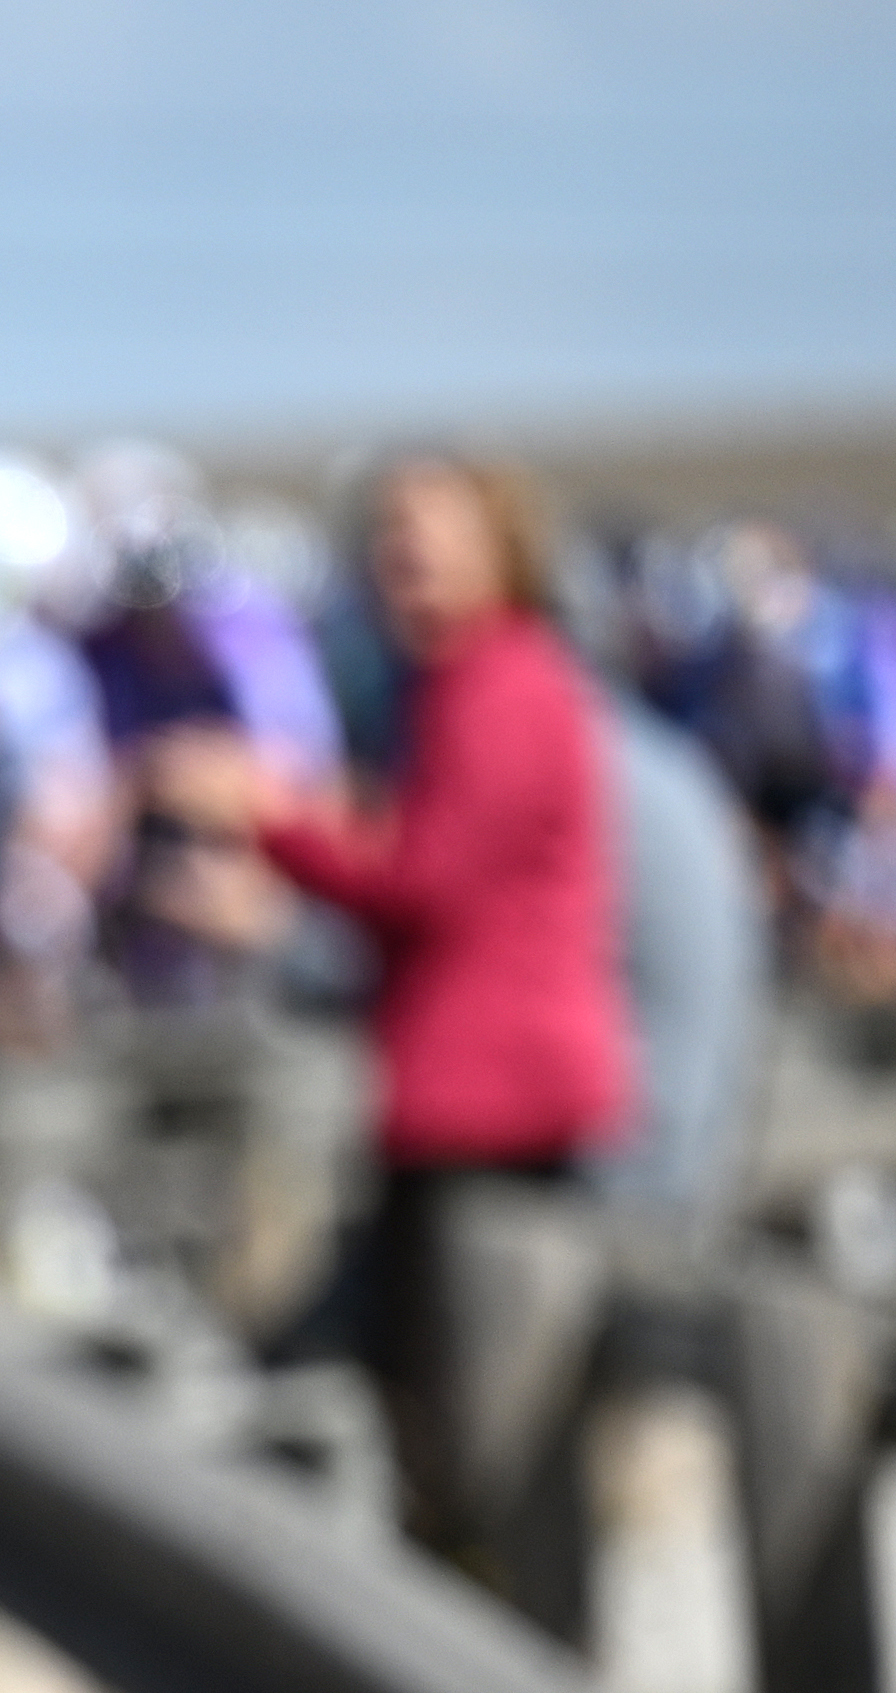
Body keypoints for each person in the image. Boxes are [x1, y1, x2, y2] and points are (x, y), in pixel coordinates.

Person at [157, 450, 625, 1540]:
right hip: (466, 1089)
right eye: (388, 533)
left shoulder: (502, 682)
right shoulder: (469, 684)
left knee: (462, 1417)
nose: (404, 553)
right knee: (430, 1399)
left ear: (500, 544)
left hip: (491, 1102)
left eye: (432, 528)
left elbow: (428, 878)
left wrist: (268, 815)